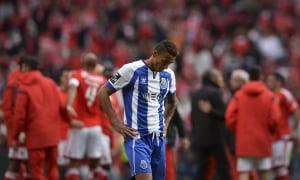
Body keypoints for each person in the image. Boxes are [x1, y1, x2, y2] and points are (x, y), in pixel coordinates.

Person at [98, 40, 178, 180]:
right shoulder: (131, 69)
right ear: (155, 53)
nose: (166, 66)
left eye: (169, 63)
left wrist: (166, 122)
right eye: (164, 61)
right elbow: (103, 92)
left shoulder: (169, 75)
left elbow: (172, 102)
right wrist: (115, 123)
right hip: (137, 137)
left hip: (158, 138)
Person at [226, 66, 280, 180]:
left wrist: (239, 130)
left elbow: (229, 116)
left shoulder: (239, 95)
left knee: (244, 172)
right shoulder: (269, 96)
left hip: (244, 141)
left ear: (249, 78)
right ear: (261, 77)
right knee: (264, 172)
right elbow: (275, 118)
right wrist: (269, 130)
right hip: (263, 140)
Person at [12, 56, 61, 179]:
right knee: (53, 168)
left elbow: (19, 116)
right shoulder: (51, 83)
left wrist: (15, 136)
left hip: (35, 135)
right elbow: (61, 105)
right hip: (53, 134)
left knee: (37, 170)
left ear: (26, 67)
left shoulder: (23, 87)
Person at [64, 53, 107, 180]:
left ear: (82, 62)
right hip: (96, 126)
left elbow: (72, 88)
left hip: (80, 124)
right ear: (95, 65)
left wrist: (69, 105)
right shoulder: (102, 80)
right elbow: (104, 103)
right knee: (96, 165)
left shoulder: (77, 75)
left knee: (74, 164)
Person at [190, 68, 231, 180]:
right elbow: (224, 115)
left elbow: (193, 119)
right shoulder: (215, 93)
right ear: (212, 78)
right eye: (218, 76)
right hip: (216, 139)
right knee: (224, 170)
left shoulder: (195, 94)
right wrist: (211, 111)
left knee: (201, 171)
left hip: (200, 139)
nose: (221, 79)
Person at [267, 72, 300, 180]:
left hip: (282, 135)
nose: (269, 82)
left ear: (279, 82)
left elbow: (296, 111)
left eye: (271, 80)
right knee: (272, 168)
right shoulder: (268, 94)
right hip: (270, 136)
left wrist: (294, 130)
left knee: (281, 168)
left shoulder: (285, 94)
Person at [2, 58, 30, 180]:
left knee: (20, 162)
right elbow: (10, 107)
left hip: (16, 124)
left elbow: (6, 106)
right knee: (18, 162)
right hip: (19, 125)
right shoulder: (18, 80)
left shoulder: (14, 79)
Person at [57, 66, 72, 178]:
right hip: (60, 135)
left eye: (70, 77)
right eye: (66, 77)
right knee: (58, 166)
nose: (68, 80)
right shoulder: (56, 92)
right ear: (61, 78)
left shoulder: (74, 94)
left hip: (72, 135)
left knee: (71, 168)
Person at [165, 108, 190, 180]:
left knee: (168, 171)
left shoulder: (167, 97)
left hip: (166, 141)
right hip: (147, 141)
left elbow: (176, 116)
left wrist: (183, 135)